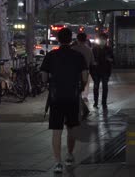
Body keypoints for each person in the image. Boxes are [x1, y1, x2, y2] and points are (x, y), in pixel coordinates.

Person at [41, 28, 89, 174]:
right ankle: (69, 155)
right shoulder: (78, 56)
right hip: (73, 97)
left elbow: (43, 76)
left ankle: (57, 163)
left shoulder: (51, 55)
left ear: (58, 39)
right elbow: (85, 76)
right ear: (70, 39)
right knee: (71, 128)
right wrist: (80, 88)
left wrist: (49, 84)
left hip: (56, 97)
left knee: (56, 131)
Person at [71, 32, 94, 120]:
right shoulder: (89, 50)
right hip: (85, 72)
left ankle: (81, 110)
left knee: (76, 92)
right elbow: (92, 62)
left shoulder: (73, 49)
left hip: (74, 73)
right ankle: (83, 109)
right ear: (85, 39)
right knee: (81, 90)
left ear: (77, 39)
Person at [91, 33, 114, 109]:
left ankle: (104, 102)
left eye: (103, 39)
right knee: (96, 87)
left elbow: (113, 60)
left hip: (105, 70)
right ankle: (96, 102)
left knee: (105, 87)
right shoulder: (94, 49)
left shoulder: (109, 49)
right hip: (96, 71)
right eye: (101, 39)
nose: (102, 41)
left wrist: (109, 60)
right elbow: (92, 60)